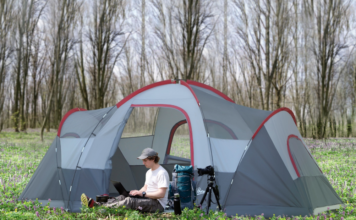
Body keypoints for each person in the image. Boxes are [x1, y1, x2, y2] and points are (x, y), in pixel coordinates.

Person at [81, 148, 170, 213]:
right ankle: (97, 204)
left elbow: (161, 194)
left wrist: (142, 194)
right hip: (147, 198)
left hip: (158, 204)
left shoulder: (162, 173)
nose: (143, 163)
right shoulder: (149, 172)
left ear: (153, 159)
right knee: (123, 197)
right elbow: (146, 187)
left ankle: (101, 209)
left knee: (130, 201)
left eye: (145, 160)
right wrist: (137, 192)